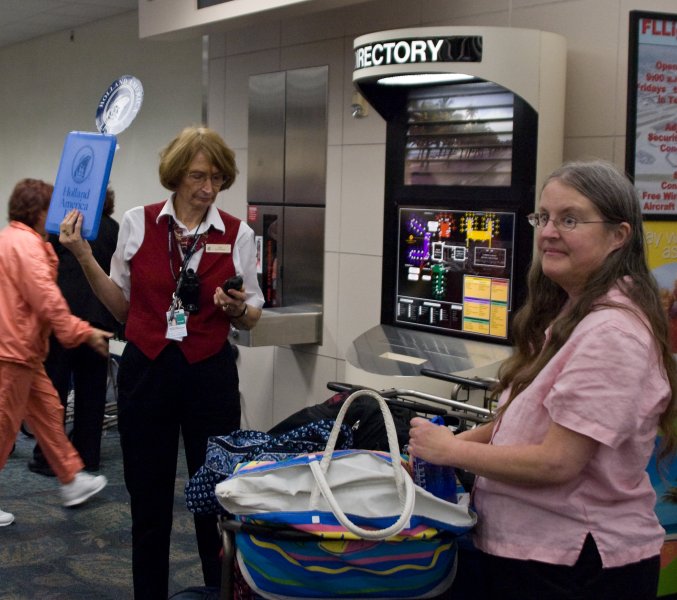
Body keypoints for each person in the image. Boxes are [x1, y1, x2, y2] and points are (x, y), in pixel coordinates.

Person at [408, 160, 677, 600]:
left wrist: (452, 451)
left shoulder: (611, 334)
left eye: (570, 219)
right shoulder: (578, 313)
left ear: (619, 235)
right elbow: (525, 422)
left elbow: (558, 461)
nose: (549, 232)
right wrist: (446, 450)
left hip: (577, 565)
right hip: (533, 555)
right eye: (545, 217)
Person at [59, 126, 264, 599]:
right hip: (146, 371)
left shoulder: (238, 233)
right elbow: (123, 309)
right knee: (147, 500)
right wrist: (85, 256)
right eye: (197, 176)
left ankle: (219, 591)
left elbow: (252, 314)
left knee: (216, 496)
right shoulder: (137, 222)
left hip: (209, 372)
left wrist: (237, 309)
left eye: (216, 177)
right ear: (175, 176)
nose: (207, 187)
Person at [0, 178, 111, 527]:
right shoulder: (27, 247)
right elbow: (46, 298)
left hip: (22, 350)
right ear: (38, 211)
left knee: (49, 414)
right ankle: (72, 478)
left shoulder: (13, 239)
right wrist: (82, 331)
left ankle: (72, 480)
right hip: (12, 351)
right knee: (3, 427)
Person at [29, 187, 120, 477]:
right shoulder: (114, 229)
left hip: (65, 320)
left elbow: (47, 268)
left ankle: (47, 457)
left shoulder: (63, 225)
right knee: (91, 392)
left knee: (53, 393)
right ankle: (88, 455)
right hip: (100, 320)